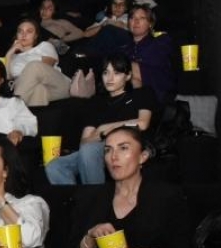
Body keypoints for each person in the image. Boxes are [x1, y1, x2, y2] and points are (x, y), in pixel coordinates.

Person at [46, 53, 154, 185]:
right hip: (100, 147)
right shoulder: (96, 103)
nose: (110, 78)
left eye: (117, 73)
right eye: (106, 73)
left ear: (128, 76)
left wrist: (106, 128)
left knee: (89, 151)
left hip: (128, 143)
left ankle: (95, 195)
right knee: (55, 166)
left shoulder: (141, 94)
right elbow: (85, 141)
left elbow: (142, 124)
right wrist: (101, 133)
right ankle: (79, 197)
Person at [6, 19, 70, 107]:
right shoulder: (14, 57)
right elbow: (8, 78)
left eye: (29, 31)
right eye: (20, 31)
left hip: (56, 85)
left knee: (34, 66)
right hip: (33, 91)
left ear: (35, 35)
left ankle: (13, 107)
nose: (24, 35)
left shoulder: (44, 46)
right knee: (39, 90)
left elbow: (46, 66)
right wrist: (9, 54)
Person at [119, 5, 175, 105]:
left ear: (150, 24)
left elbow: (161, 70)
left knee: (122, 65)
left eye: (142, 18)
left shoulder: (160, 42)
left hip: (157, 89)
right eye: (132, 18)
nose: (136, 21)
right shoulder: (124, 50)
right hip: (131, 93)